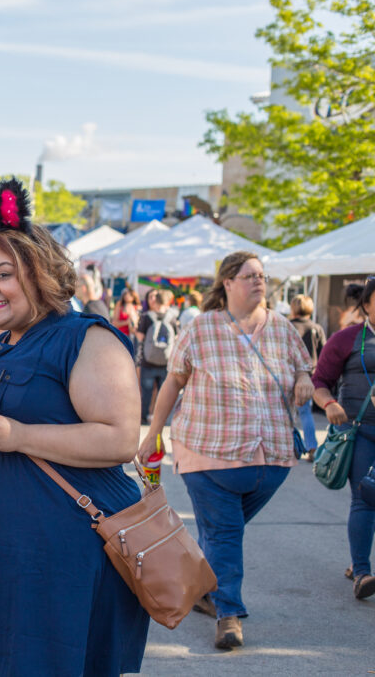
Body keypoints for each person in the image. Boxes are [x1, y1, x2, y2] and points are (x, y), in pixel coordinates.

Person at [0, 179, 149, 676]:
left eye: (3, 274)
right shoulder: (3, 344)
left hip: (58, 561)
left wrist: (18, 435)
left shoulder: (83, 337)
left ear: (41, 270)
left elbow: (118, 438)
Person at [137, 251, 312, 650]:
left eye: (262, 275)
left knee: (220, 534)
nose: (259, 281)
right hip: (206, 453)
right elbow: (173, 383)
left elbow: (304, 366)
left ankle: (204, 590)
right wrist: (154, 433)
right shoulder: (201, 328)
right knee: (226, 532)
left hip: (273, 455)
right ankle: (229, 614)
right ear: (228, 283)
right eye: (249, 275)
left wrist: (303, 379)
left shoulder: (283, 328)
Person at [311, 276, 375, 600]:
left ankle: (357, 560)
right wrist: (329, 403)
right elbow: (319, 381)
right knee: (365, 497)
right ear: (367, 304)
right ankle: (362, 572)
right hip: (359, 432)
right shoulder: (346, 339)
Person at [290, 294, 326, 461]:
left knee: (287, 413)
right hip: (311, 375)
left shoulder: (288, 326)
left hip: (289, 375)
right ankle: (311, 446)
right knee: (305, 413)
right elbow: (323, 353)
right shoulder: (316, 327)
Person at [138, 288, 176, 424]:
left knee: (146, 393)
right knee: (164, 393)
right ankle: (162, 419)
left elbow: (140, 337)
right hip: (165, 361)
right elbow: (176, 337)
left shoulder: (147, 317)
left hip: (148, 361)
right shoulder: (172, 317)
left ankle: (143, 418)